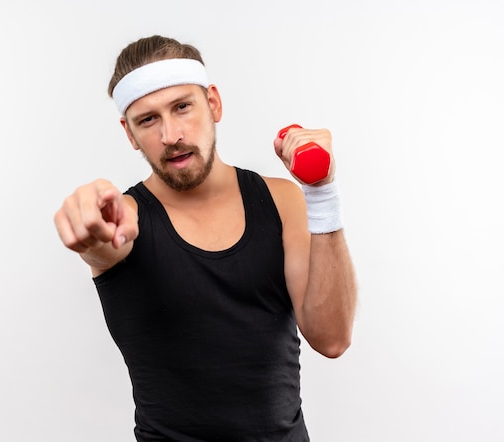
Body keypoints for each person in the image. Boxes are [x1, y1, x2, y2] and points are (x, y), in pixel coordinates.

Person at [54, 35, 357, 441]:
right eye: (148, 120)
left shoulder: (281, 201)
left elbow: (333, 338)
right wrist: (89, 218)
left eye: (182, 107)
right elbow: (106, 239)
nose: (171, 135)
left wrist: (322, 195)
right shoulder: (125, 219)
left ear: (212, 103)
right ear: (129, 133)